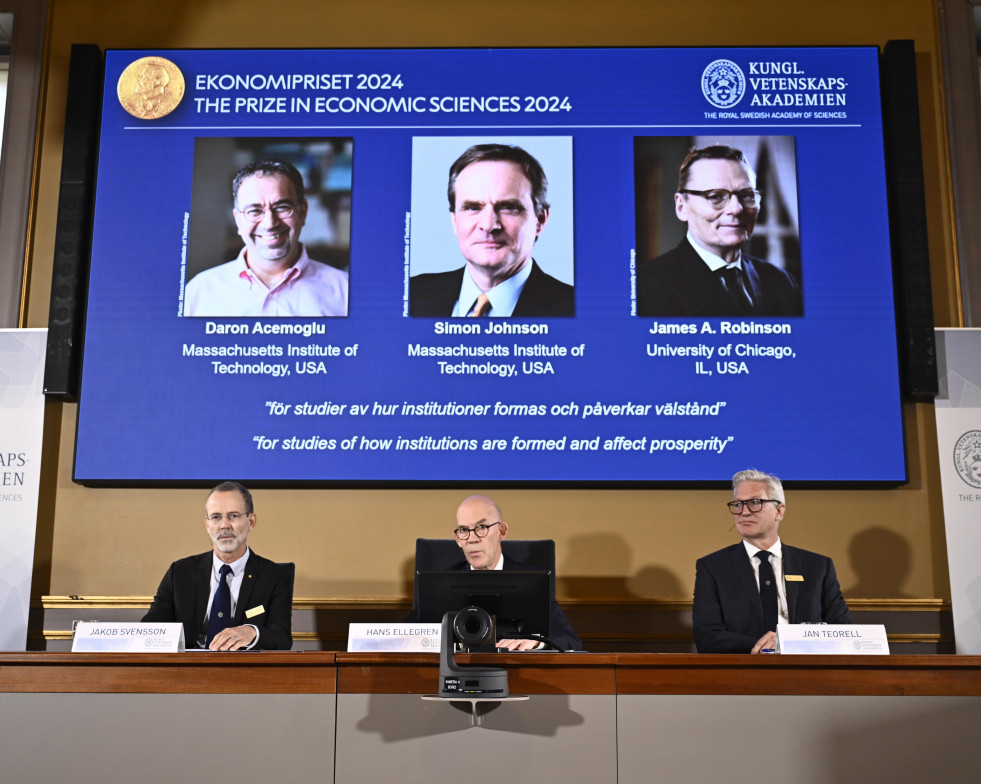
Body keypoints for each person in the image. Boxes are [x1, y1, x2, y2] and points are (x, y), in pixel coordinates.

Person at [692, 469, 851, 654]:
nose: (743, 512)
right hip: (742, 671)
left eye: (754, 503)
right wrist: (767, 645)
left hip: (807, 671)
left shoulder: (817, 567)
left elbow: (842, 632)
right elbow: (707, 636)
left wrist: (788, 642)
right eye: (737, 504)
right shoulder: (713, 567)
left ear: (779, 510)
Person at [636, 144, 802, 317]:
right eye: (715, 196)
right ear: (681, 207)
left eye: (746, 195)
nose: (737, 209)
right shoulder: (647, 285)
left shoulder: (782, 282)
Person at [410, 144, 574, 317]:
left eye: (508, 208)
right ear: (454, 219)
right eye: (473, 208)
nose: (488, 225)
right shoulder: (410, 295)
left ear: (540, 219)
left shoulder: (574, 308)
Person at [406, 494, 582, 651]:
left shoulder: (531, 582)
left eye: (481, 527)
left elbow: (569, 640)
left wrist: (539, 642)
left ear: (502, 531)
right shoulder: (440, 585)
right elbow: (403, 637)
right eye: (463, 530)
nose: (472, 539)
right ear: (458, 540)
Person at [184, 159, 348, 317]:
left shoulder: (345, 292)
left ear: (303, 211)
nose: (269, 223)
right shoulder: (199, 292)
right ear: (238, 220)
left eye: (282, 207)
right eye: (254, 211)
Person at [142, 481, 294, 650]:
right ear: (207, 525)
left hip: (245, 672)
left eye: (233, 516)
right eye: (216, 517)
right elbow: (150, 629)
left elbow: (282, 638)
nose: (224, 525)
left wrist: (252, 632)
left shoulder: (275, 576)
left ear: (251, 521)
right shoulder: (180, 573)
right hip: (187, 671)